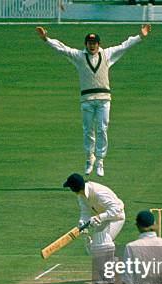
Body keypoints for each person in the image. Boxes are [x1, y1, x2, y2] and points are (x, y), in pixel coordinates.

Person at [37, 25, 151, 177]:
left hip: (104, 99)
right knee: (88, 130)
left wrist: (140, 36)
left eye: (94, 43)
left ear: (98, 44)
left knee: (102, 129)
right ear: (86, 44)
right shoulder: (79, 56)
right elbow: (62, 48)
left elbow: (124, 46)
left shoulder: (107, 54)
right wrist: (46, 39)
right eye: (89, 43)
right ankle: (89, 159)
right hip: (87, 100)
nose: (92, 45)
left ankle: (100, 161)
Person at [63, 173, 124, 284]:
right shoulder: (81, 195)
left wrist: (99, 217)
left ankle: (109, 277)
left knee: (102, 242)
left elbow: (117, 208)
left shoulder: (98, 193)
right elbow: (85, 212)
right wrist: (82, 223)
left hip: (117, 218)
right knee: (91, 247)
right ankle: (114, 264)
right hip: (104, 219)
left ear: (74, 188)